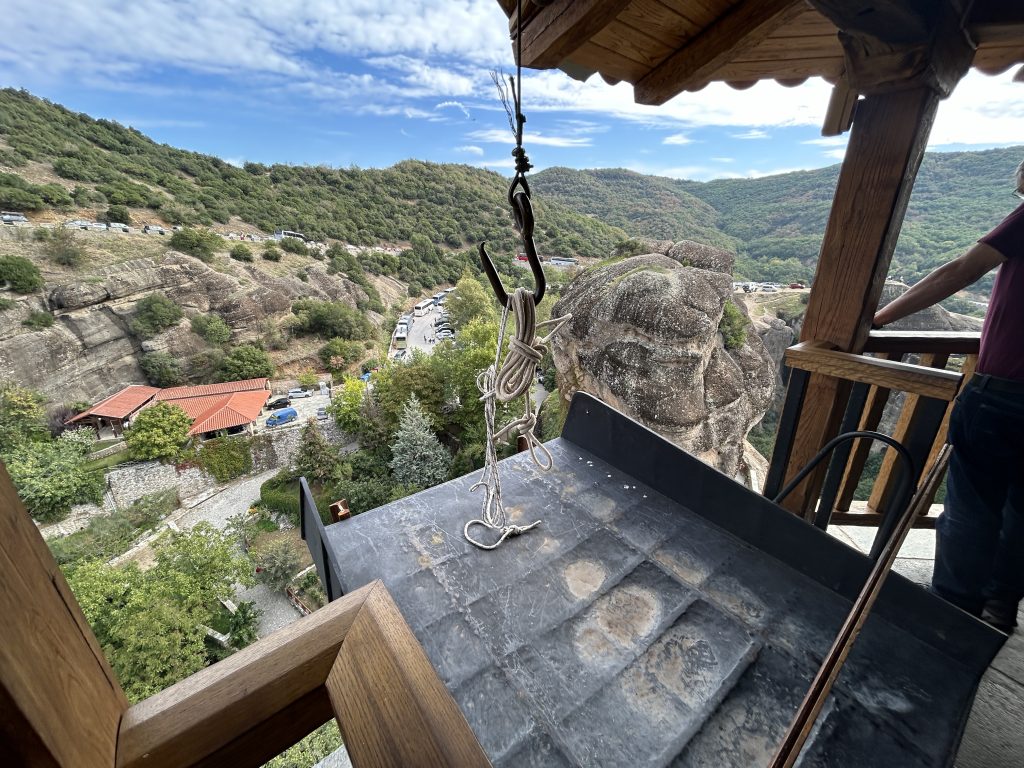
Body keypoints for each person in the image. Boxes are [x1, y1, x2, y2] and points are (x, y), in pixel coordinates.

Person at [873, 160, 1024, 631]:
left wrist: (880, 318)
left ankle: (953, 609)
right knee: (1021, 510)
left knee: (972, 505)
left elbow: (963, 269)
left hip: (1004, 393)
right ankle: (999, 606)